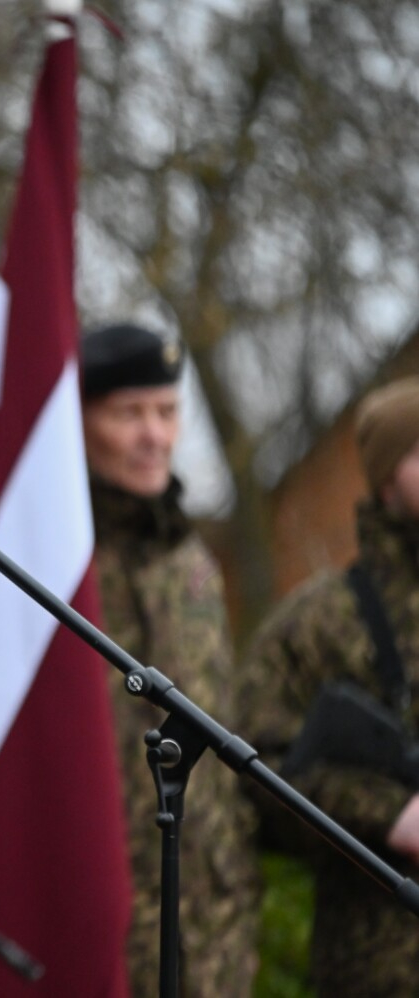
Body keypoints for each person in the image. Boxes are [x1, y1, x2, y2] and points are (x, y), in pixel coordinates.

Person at [0, 322, 262, 996]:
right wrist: (14, 821)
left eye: (167, 411)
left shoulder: (193, 566)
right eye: (129, 414)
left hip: (210, 944)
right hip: (71, 936)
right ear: (77, 422)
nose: (155, 435)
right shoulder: (22, 567)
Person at [241, 376, 419, 997]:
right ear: (386, 475)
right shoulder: (317, 622)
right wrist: (390, 813)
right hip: (377, 967)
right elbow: (256, 769)